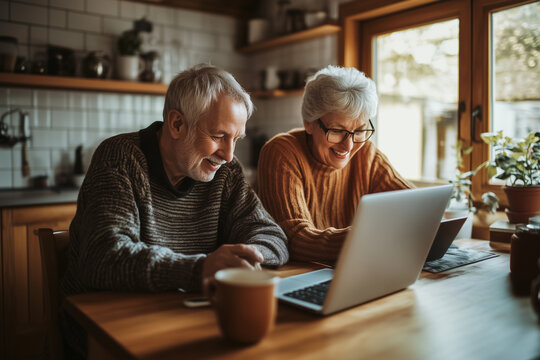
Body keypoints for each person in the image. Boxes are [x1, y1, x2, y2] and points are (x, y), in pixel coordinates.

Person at [60, 64, 289, 359]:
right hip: (104, 331)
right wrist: (202, 268)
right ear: (177, 124)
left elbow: (271, 235)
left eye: (236, 139)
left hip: (182, 316)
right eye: (219, 135)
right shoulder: (120, 158)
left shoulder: (225, 171)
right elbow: (104, 257)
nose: (229, 155)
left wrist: (243, 259)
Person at [257, 65, 412, 263]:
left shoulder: (366, 154)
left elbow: (415, 206)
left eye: (359, 130)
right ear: (309, 124)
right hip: (299, 274)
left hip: (354, 269)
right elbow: (294, 239)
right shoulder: (282, 153)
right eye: (337, 130)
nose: (349, 145)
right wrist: (365, 239)